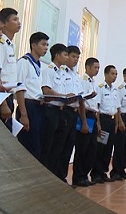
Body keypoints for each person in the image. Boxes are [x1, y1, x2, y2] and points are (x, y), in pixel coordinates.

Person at [40, 43, 86, 182]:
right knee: (52, 146)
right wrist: (65, 96)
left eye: (77, 57)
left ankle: (60, 176)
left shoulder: (71, 74)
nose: (73, 59)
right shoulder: (52, 70)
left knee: (66, 146)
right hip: (56, 109)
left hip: (69, 110)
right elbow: (47, 90)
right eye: (68, 55)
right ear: (57, 55)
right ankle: (49, 177)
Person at [0, 8, 28, 132]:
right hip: (0, 96)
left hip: (9, 96)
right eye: (15, 19)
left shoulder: (11, 45)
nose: (19, 23)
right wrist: (3, 103)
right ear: (5, 23)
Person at [15, 32, 49, 159]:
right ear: (33, 45)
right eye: (43, 44)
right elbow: (19, 89)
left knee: (38, 146)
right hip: (28, 107)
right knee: (28, 146)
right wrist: (24, 114)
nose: (46, 48)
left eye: (47, 45)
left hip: (39, 107)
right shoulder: (24, 62)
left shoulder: (39, 64)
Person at [58, 45, 86, 183]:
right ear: (66, 56)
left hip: (74, 113)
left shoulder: (76, 76)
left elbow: (80, 98)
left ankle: (63, 176)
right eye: (73, 56)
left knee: (69, 145)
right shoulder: (61, 73)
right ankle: (57, 175)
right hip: (64, 111)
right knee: (60, 144)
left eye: (78, 57)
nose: (75, 60)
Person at [72, 57, 100, 187]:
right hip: (85, 115)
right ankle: (78, 177)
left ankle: (84, 175)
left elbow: (95, 105)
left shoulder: (93, 82)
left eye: (98, 68)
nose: (97, 70)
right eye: (95, 67)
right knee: (82, 148)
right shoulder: (82, 81)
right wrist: (83, 122)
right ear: (87, 67)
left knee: (92, 148)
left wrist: (98, 123)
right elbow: (81, 102)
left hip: (93, 116)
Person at [92, 65, 122, 183]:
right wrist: (98, 123)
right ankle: (96, 173)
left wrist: (116, 123)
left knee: (109, 148)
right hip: (103, 120)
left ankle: (103, 172)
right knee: (100, 147)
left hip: (112, 121)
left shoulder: (115, 90)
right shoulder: (100, 88)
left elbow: (117, 108)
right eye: (112, 74)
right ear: (106, 74)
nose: (114, 76)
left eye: (116, 74)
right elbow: (97, 107)